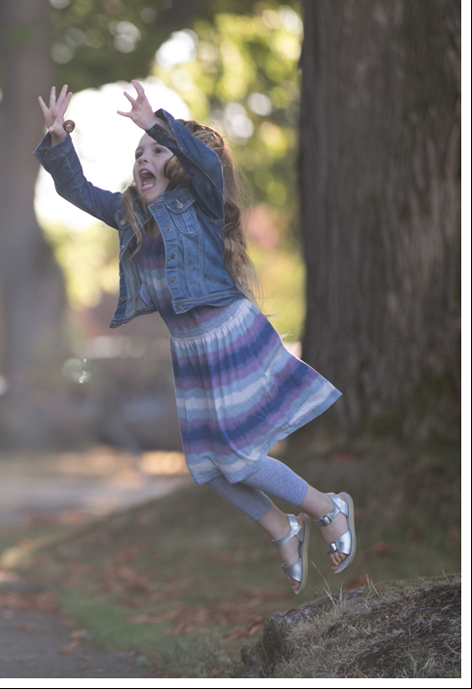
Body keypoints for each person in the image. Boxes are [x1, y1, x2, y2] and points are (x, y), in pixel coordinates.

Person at [34, 81, 355, 594]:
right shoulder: (130, 214)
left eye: (156, 151)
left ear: (178, 163)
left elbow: (207, 165)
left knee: (241, 457)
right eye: (138, 152)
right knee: (209, 465)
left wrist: (156, 124)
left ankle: (326, 507)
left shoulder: (201, 202)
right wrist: (57, 138)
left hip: (228, 335)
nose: (144, 156)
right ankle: (281, 528)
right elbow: (75, 190)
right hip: (189, 349)